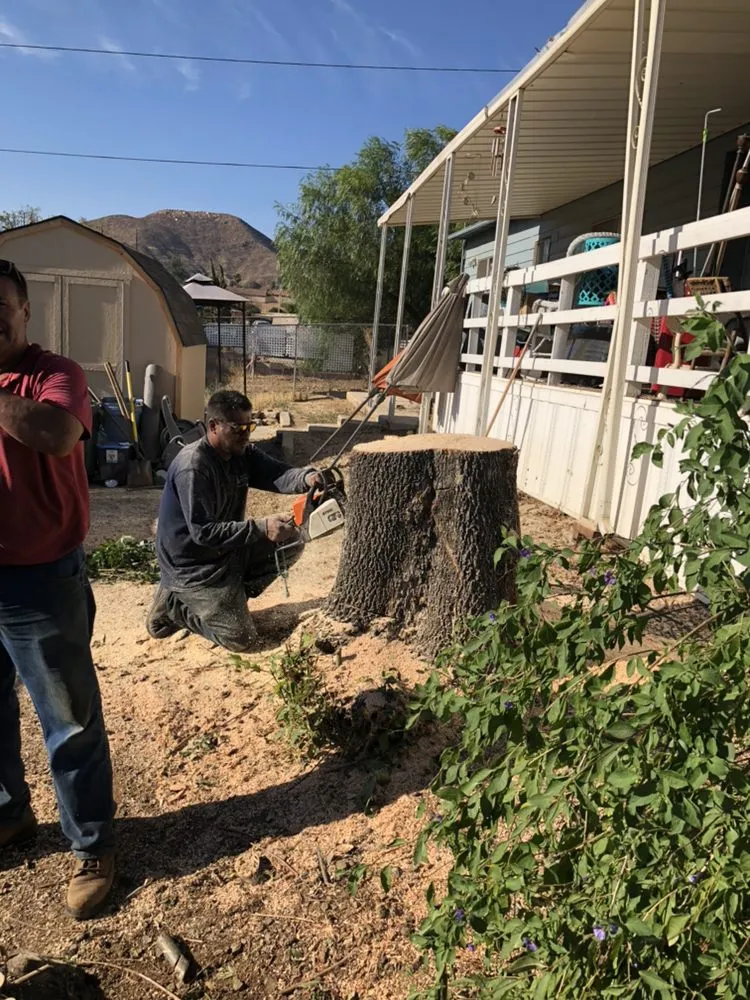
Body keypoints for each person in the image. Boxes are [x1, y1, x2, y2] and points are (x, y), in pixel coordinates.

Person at [0, 260, 116, 919]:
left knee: (68, 723)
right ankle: (9, 814)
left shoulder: (56, 376)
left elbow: (54, 434)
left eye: (1, 306)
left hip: (41, 582)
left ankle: (94, 844)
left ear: (24, 313)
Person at [147, 389, 322, 651]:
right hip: (194, 569)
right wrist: (262, 527)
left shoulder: (243, 454)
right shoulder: (194, 467)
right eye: (237, 428)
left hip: (226, 551)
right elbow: (203, 532)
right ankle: (176, 606)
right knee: (243, 640)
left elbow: (279, 474)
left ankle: (230, 597)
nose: (246, 433)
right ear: (214, 426)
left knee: (293, 540)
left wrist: (307, 478)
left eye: (249, 425)